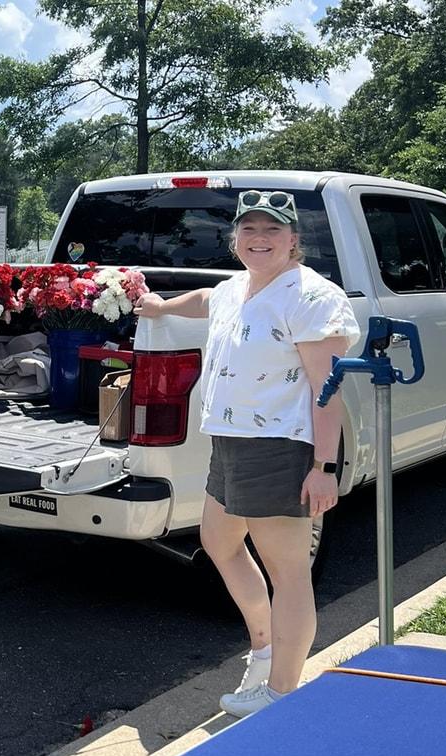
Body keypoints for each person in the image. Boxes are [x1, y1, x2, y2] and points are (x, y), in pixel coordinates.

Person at [135, 190, 360, 717]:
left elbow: (326, 391)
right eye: (249, 229)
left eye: (272, 230)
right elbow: (203, 300)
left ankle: (281, 692)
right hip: (231, 442)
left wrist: (324, 468)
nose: (260, 239)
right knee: (218, 542)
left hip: (279, 446)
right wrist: (161, 306)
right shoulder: (236, 287)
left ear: (293, 239)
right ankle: (264, 649)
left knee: (289, 572)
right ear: (234, 237)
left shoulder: (312, 298)